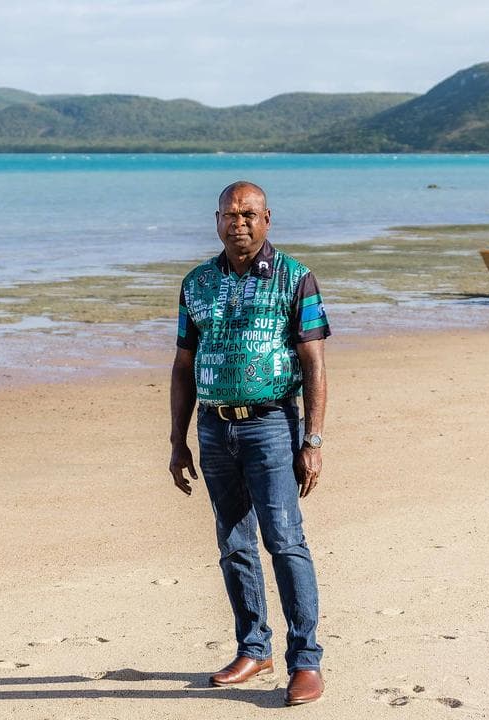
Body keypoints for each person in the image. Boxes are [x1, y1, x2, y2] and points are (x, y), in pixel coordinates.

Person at [169, 181, 330, 706]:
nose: (239, 223)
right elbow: (183, 365)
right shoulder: (196, 283)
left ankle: (305, 662)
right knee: (233, 543)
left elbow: (314, 364)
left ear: (267, 219)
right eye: (230, 215)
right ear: (216, 220)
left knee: (284, 541)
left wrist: (313, 439)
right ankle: (252, 648)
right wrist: (178, 439)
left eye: (249, 214)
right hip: (215, 428)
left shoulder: (295, 278)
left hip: (271, 426)